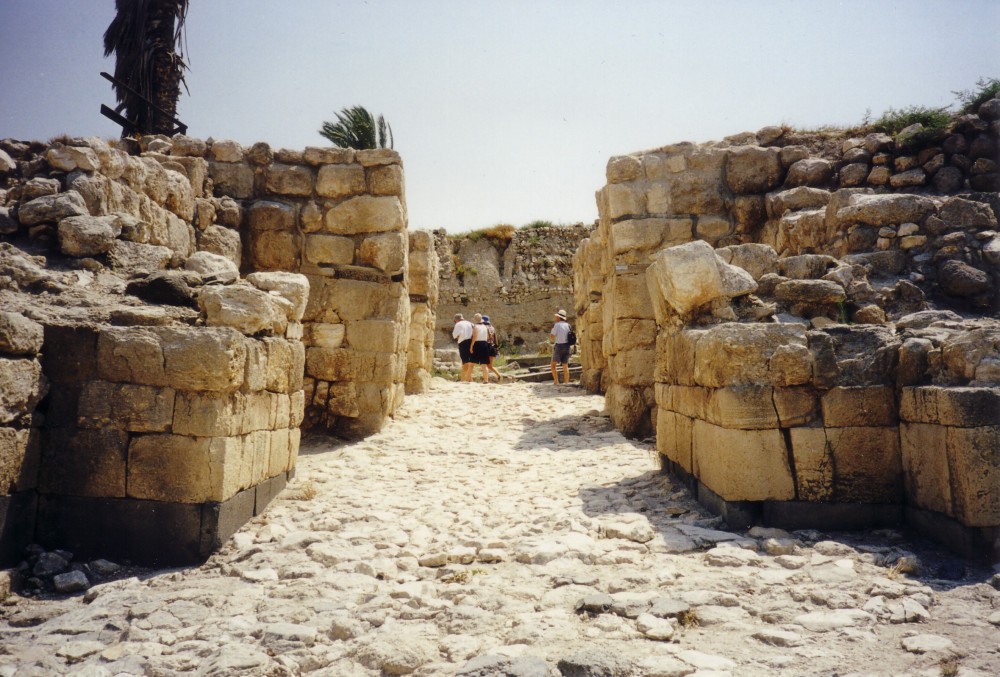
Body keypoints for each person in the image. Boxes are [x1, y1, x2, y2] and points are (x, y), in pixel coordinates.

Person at [549, 309, 572, 385]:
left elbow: (552, 336)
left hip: (559, 346)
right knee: (565, 365)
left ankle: (556, 381)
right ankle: (566, 382)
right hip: (567, 346)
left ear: (559, 317)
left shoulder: (557, 325)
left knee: (553, 365)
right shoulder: (568, 325)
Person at [469, 313, 492, 383]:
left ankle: (469, 378)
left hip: (477, 344)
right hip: (484, 344)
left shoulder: (475, 327)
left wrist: (471, 346)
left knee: (471, 363)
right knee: (484, 364)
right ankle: (486, 380)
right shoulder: (485, 327)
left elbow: (474, 337)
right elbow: (488, 337)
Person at [482, 315, 505, 383]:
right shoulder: (492, 328)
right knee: (490, 366)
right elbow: (496, 339)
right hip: (492, 347)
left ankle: (485, 380)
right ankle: (499, 375)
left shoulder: (483, 328)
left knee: (484, 365)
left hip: (486, 346)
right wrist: (497, 348)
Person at [452, 313, 474, 382]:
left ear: (456, 320)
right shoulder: (470, 323)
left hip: (463, 343)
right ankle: (470, 378)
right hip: (471, 342)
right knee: (470, 361)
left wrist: (459, 337)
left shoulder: (458, 324)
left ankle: (463, 378)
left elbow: (454, 335)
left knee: (465, 361)